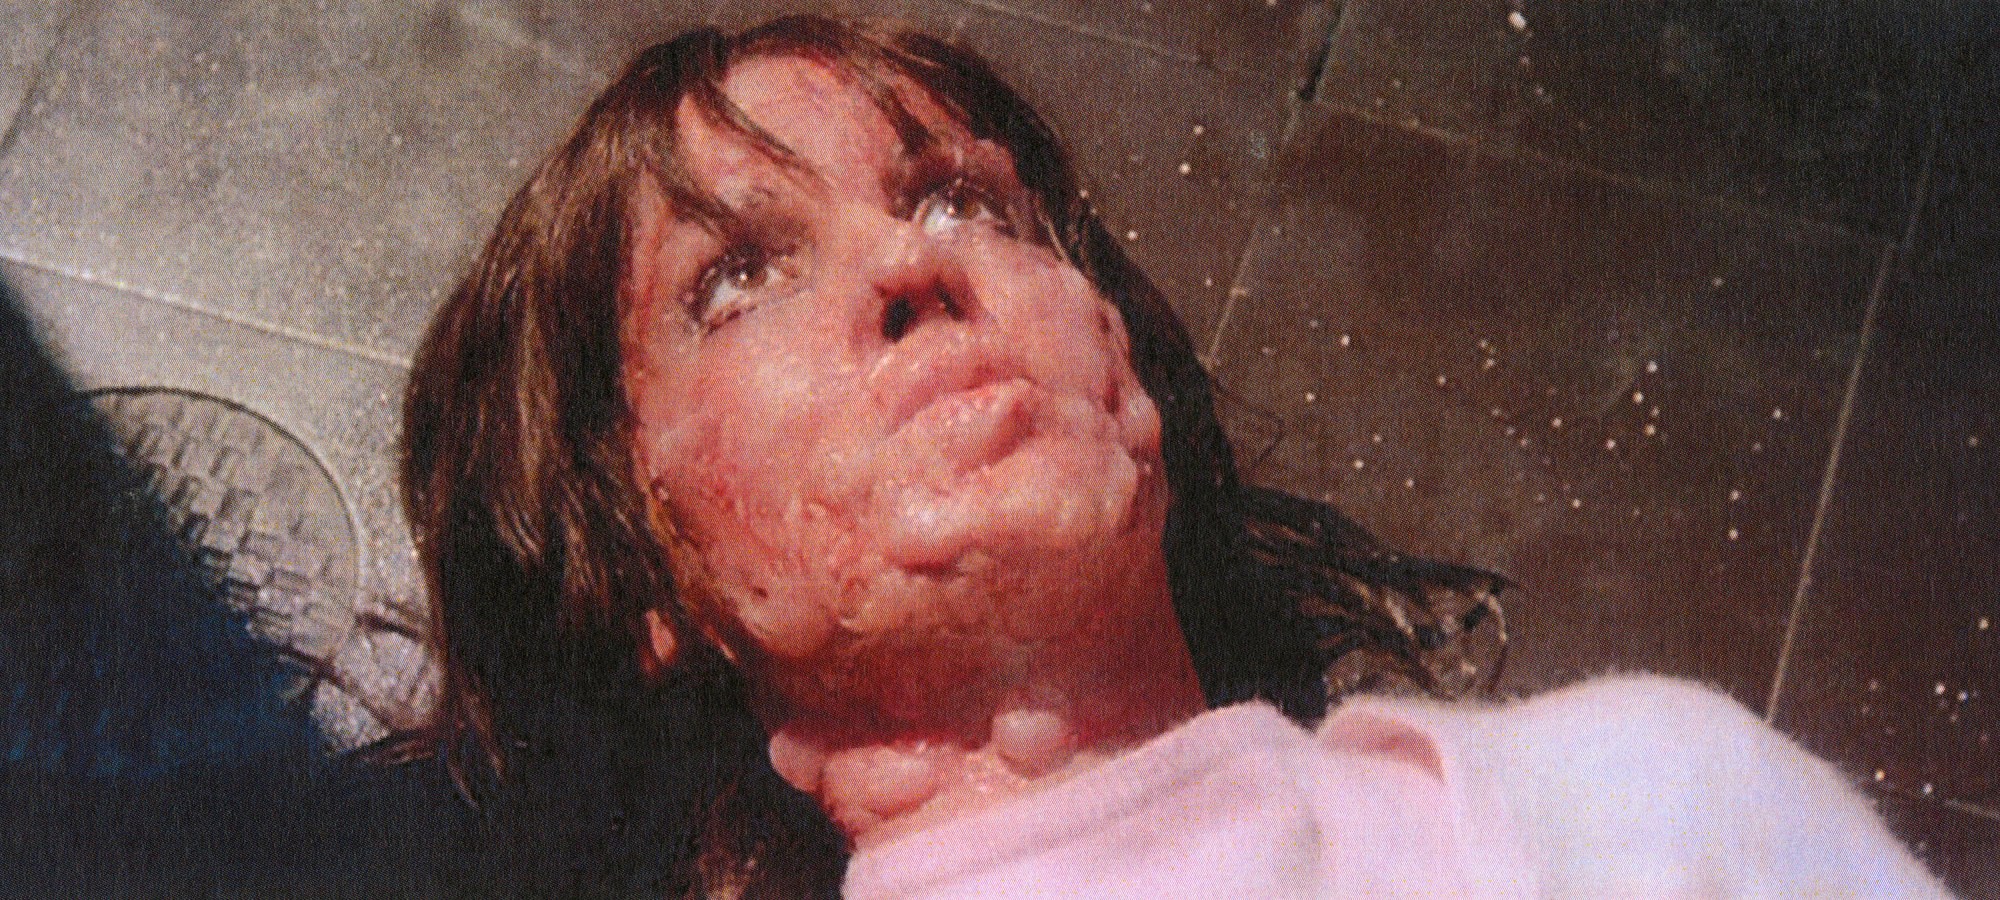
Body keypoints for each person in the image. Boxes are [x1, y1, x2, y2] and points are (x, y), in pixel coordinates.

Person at [398, 14, 1946, 898]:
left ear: (1117, 359)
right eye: (737, 278)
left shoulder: (1654, 809)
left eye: (960, 201)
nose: (911, 265)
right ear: (639, 568)